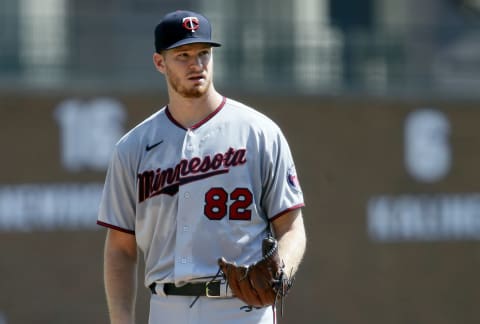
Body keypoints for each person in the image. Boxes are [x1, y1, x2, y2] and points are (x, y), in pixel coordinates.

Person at [97, 9, 307, 324]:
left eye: (203, 54)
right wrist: (121, 320)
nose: (196, 64)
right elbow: (120, 248)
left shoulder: (259, 133)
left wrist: (282, 273)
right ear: (159, 63)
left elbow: (292, 227)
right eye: (183, 55)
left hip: (242, 308)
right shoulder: (133, 147)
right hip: (167, 307)